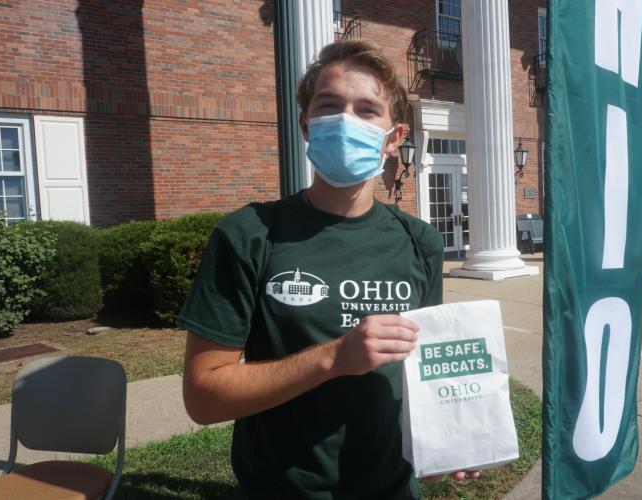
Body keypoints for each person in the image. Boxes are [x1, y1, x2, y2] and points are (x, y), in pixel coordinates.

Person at [178, 40, 476, 499]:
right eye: (330, 106)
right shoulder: (250, 234)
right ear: (306, 124)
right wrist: (333, 359)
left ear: (395, 136)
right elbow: (202, 396)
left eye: (366, 110)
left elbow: (424, 367)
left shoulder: (422, 243)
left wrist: (454, 438)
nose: (346, 121)